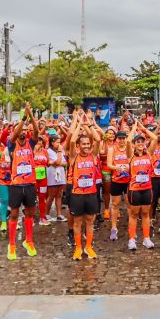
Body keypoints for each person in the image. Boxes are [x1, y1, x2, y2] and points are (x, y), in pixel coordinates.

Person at [6, 103, 39, 260]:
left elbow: (37, 132)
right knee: (14, 213)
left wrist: (31, 116)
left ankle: (29, 241)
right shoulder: (11, 144)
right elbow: (14, 134)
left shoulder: (31, 143)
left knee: (30, 213)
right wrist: (24, 118)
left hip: (30, 184)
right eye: (22, 131)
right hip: (16, 185)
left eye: (26, 131)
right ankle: (12, 245)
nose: (24, 133)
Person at [68, 111, 101, 260]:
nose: (87, 146)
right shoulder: (74, 156)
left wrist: (88, 124)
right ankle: (78, 248)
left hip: (91, 193)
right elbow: (72, 140)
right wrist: (79, 123)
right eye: (84, 144)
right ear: (79, 146)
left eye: (88, 144)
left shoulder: (93, 156)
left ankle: (89, 246)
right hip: (77, 194)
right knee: (77, 222)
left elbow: (98, 139)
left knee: (90, 221)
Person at [125, 121, 158, 250]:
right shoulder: (130, 155)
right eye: (137, 142)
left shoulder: (148, 153)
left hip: (147, 189)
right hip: (134, 189)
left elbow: (154, 138)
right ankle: (132, 239)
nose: (140, 143)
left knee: (145, 214)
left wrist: (143, 129)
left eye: (142, 141)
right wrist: (134, 128)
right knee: (133, 215)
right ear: (134, 144)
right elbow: (128, 142)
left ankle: (146, 238)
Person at [107, 130, 130, 241]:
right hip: (116, 180)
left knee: (129, 204)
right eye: (119, 138)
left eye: (123, 138)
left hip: (128, 180)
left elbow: (132, 161)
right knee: (115, 204)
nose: (121, 140)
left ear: (126, 139)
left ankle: (131, 227)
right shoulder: (112, 149)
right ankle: (114, 228)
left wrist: (127, 167)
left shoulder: (130, 148)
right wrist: (118, 167)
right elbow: (109, 164)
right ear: (116, 139)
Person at [45, 135, 67, 222]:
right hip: (52, 175)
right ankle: (46, 214)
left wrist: (58, 162)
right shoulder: (48, 151)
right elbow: (58, 162)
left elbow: (65, 162)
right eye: (57, 142)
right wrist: (60, 152)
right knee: (51, 195)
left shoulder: (60, 150)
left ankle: (59, 214)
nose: (59, 144)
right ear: (52, 142)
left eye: (59, 142)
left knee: (59, 195)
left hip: (60, 174)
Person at [0, 147, 12, 232]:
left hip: (13, 182)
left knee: (14, 202)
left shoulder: (14, 155)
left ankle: (14, 221)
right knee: (4, 200)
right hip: (2, 181)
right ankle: (4, 222)